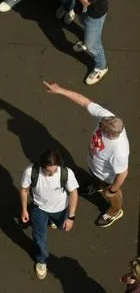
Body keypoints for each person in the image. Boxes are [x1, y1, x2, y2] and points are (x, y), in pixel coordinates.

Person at [42, 80, 128, 227]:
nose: (99, 125)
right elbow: (84, 102)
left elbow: (123, 173)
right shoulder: (107, 118)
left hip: (108, 177)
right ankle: (97, 185)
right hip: (94, 166)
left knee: (113, 195)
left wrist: (112, 190)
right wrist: (60, 90)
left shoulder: (119, 150)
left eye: (102, 128)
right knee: (96, 180)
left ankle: (115, 211)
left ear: (112, 134)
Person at [20, 149, 79, 280]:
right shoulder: (31, 172)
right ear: (42, 166)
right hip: (39, 209)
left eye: (55, 170)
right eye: (48, 171)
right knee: (40, 237)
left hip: (60, 209)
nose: (52, 174)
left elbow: (74, 193)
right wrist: (24, 209)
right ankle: (42, 260)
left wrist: (71, 217)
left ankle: (52, 221)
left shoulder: (66, 173)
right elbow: (24, 191)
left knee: (61, 226)